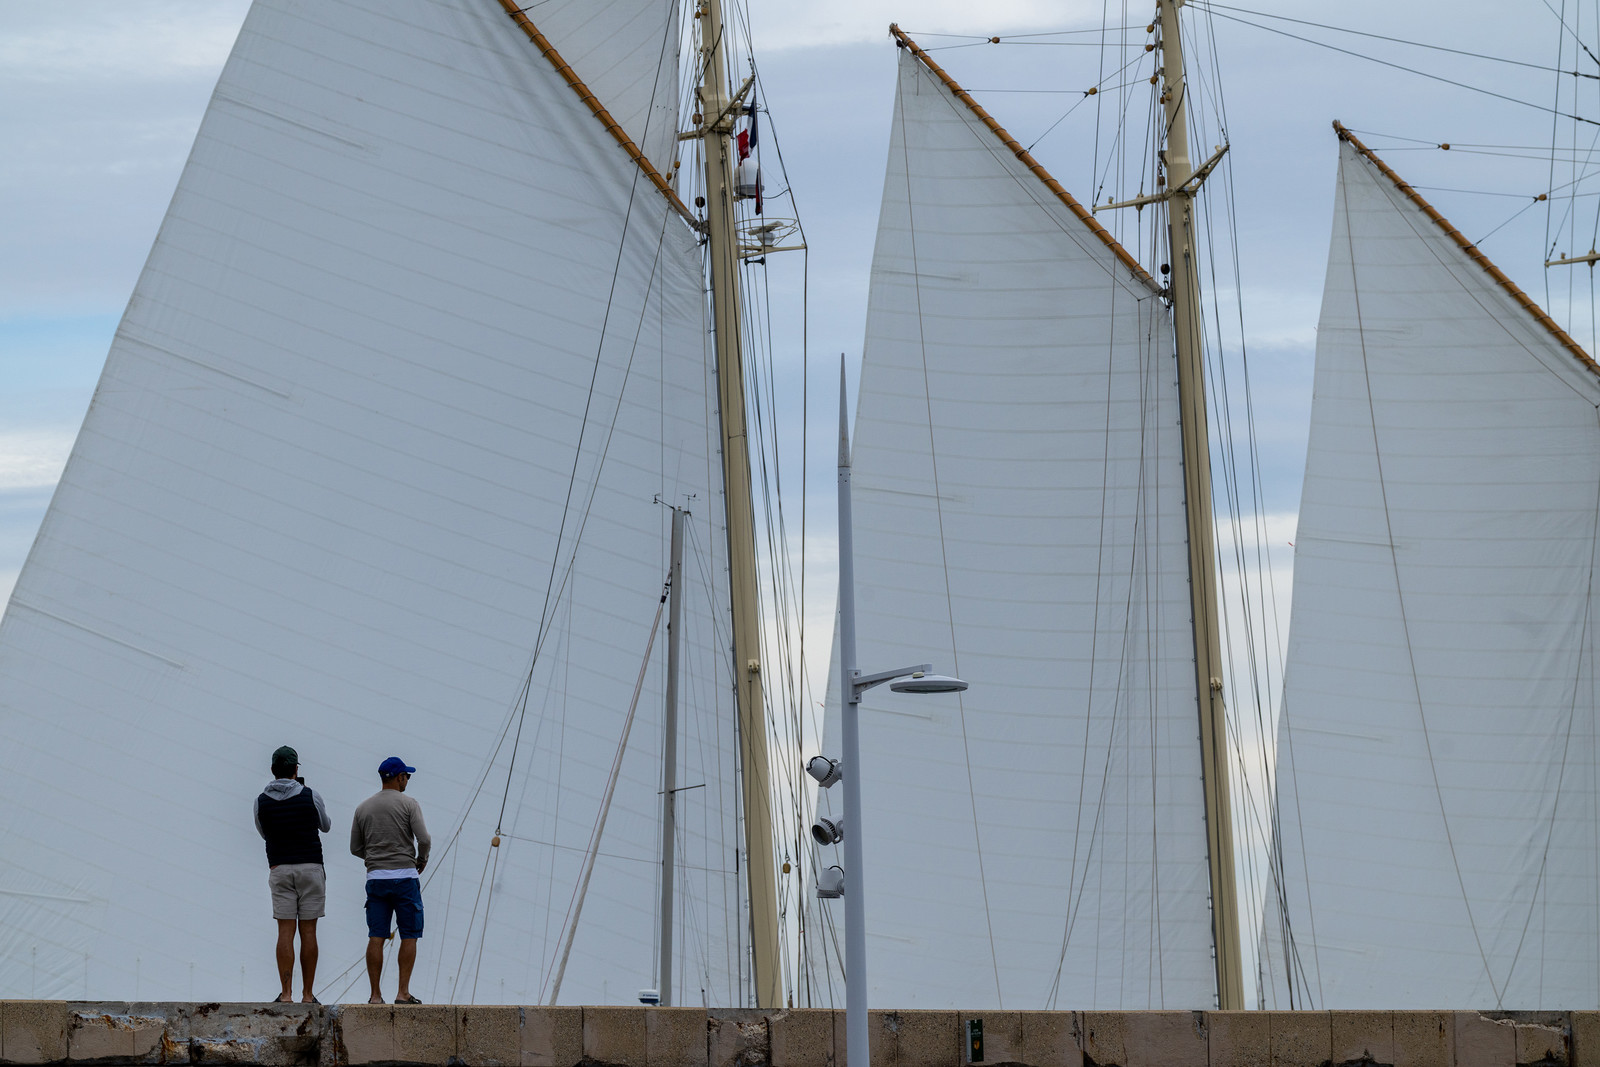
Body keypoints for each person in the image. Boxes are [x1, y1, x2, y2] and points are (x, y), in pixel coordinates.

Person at [254, 745, 331, 1004]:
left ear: (272, 770)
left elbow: (264, 832)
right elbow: (326, 826)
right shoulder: (310, 795)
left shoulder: (260, 801)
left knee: (285, 931)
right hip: (310, 866)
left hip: (280, 868)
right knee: (309, 931)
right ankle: (307, 995)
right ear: (296, 770)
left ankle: (286, 995)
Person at [350, 756, 430, 1005]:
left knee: (376, 935)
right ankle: (402, 993)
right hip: (405, 877)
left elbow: (355, 848)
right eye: (407, 776)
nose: (407, 780)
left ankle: (375, 995)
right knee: (409, 934)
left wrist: (374, 858)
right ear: (399, 777)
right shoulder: (409, 804)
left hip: (376, 878)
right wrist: (421, 859)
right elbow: (424, 839)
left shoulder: (363, 808)